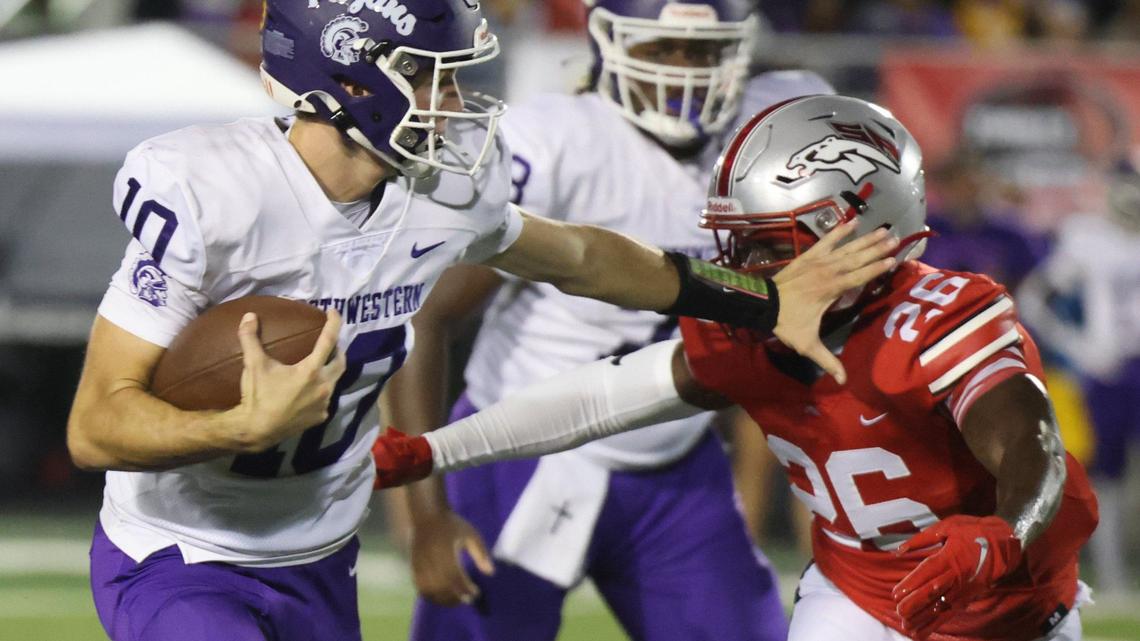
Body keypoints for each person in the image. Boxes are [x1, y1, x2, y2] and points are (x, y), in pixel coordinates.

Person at [64, 2, 896, 640]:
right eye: (435, 75)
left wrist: (761, 300)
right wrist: (241, 423)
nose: (459, 102)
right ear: (351, 80)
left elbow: (586, 258)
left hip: (317, 552)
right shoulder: (212, 191)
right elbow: (96, 426)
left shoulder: (440, 193)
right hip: (179, 552)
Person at [374, 94, 1100, 641]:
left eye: (764, 244)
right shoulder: (753, 325)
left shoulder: (938, 318)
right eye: (735, 243)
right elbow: (601, 396)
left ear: (860, 232)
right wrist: (436, 449)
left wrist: (1002, 533)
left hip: (1008, 600)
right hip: (856, 590)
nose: (739, 268)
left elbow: (1029, 447)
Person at [387, 1, 833, 639]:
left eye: (703, 52)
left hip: (674, 461)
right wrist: (425, 513)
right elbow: (428, 318)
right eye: (663, 50)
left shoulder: (775, 129)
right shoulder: (559, 141)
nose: (685, 72)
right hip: (520, 452)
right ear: (610, 43)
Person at [1017, 159, 1140, 598]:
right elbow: (1034, 299)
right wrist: (1079, 348)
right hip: (1109, 369)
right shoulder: (1087, 238)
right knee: (1105, 474)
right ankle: (1114, 577)